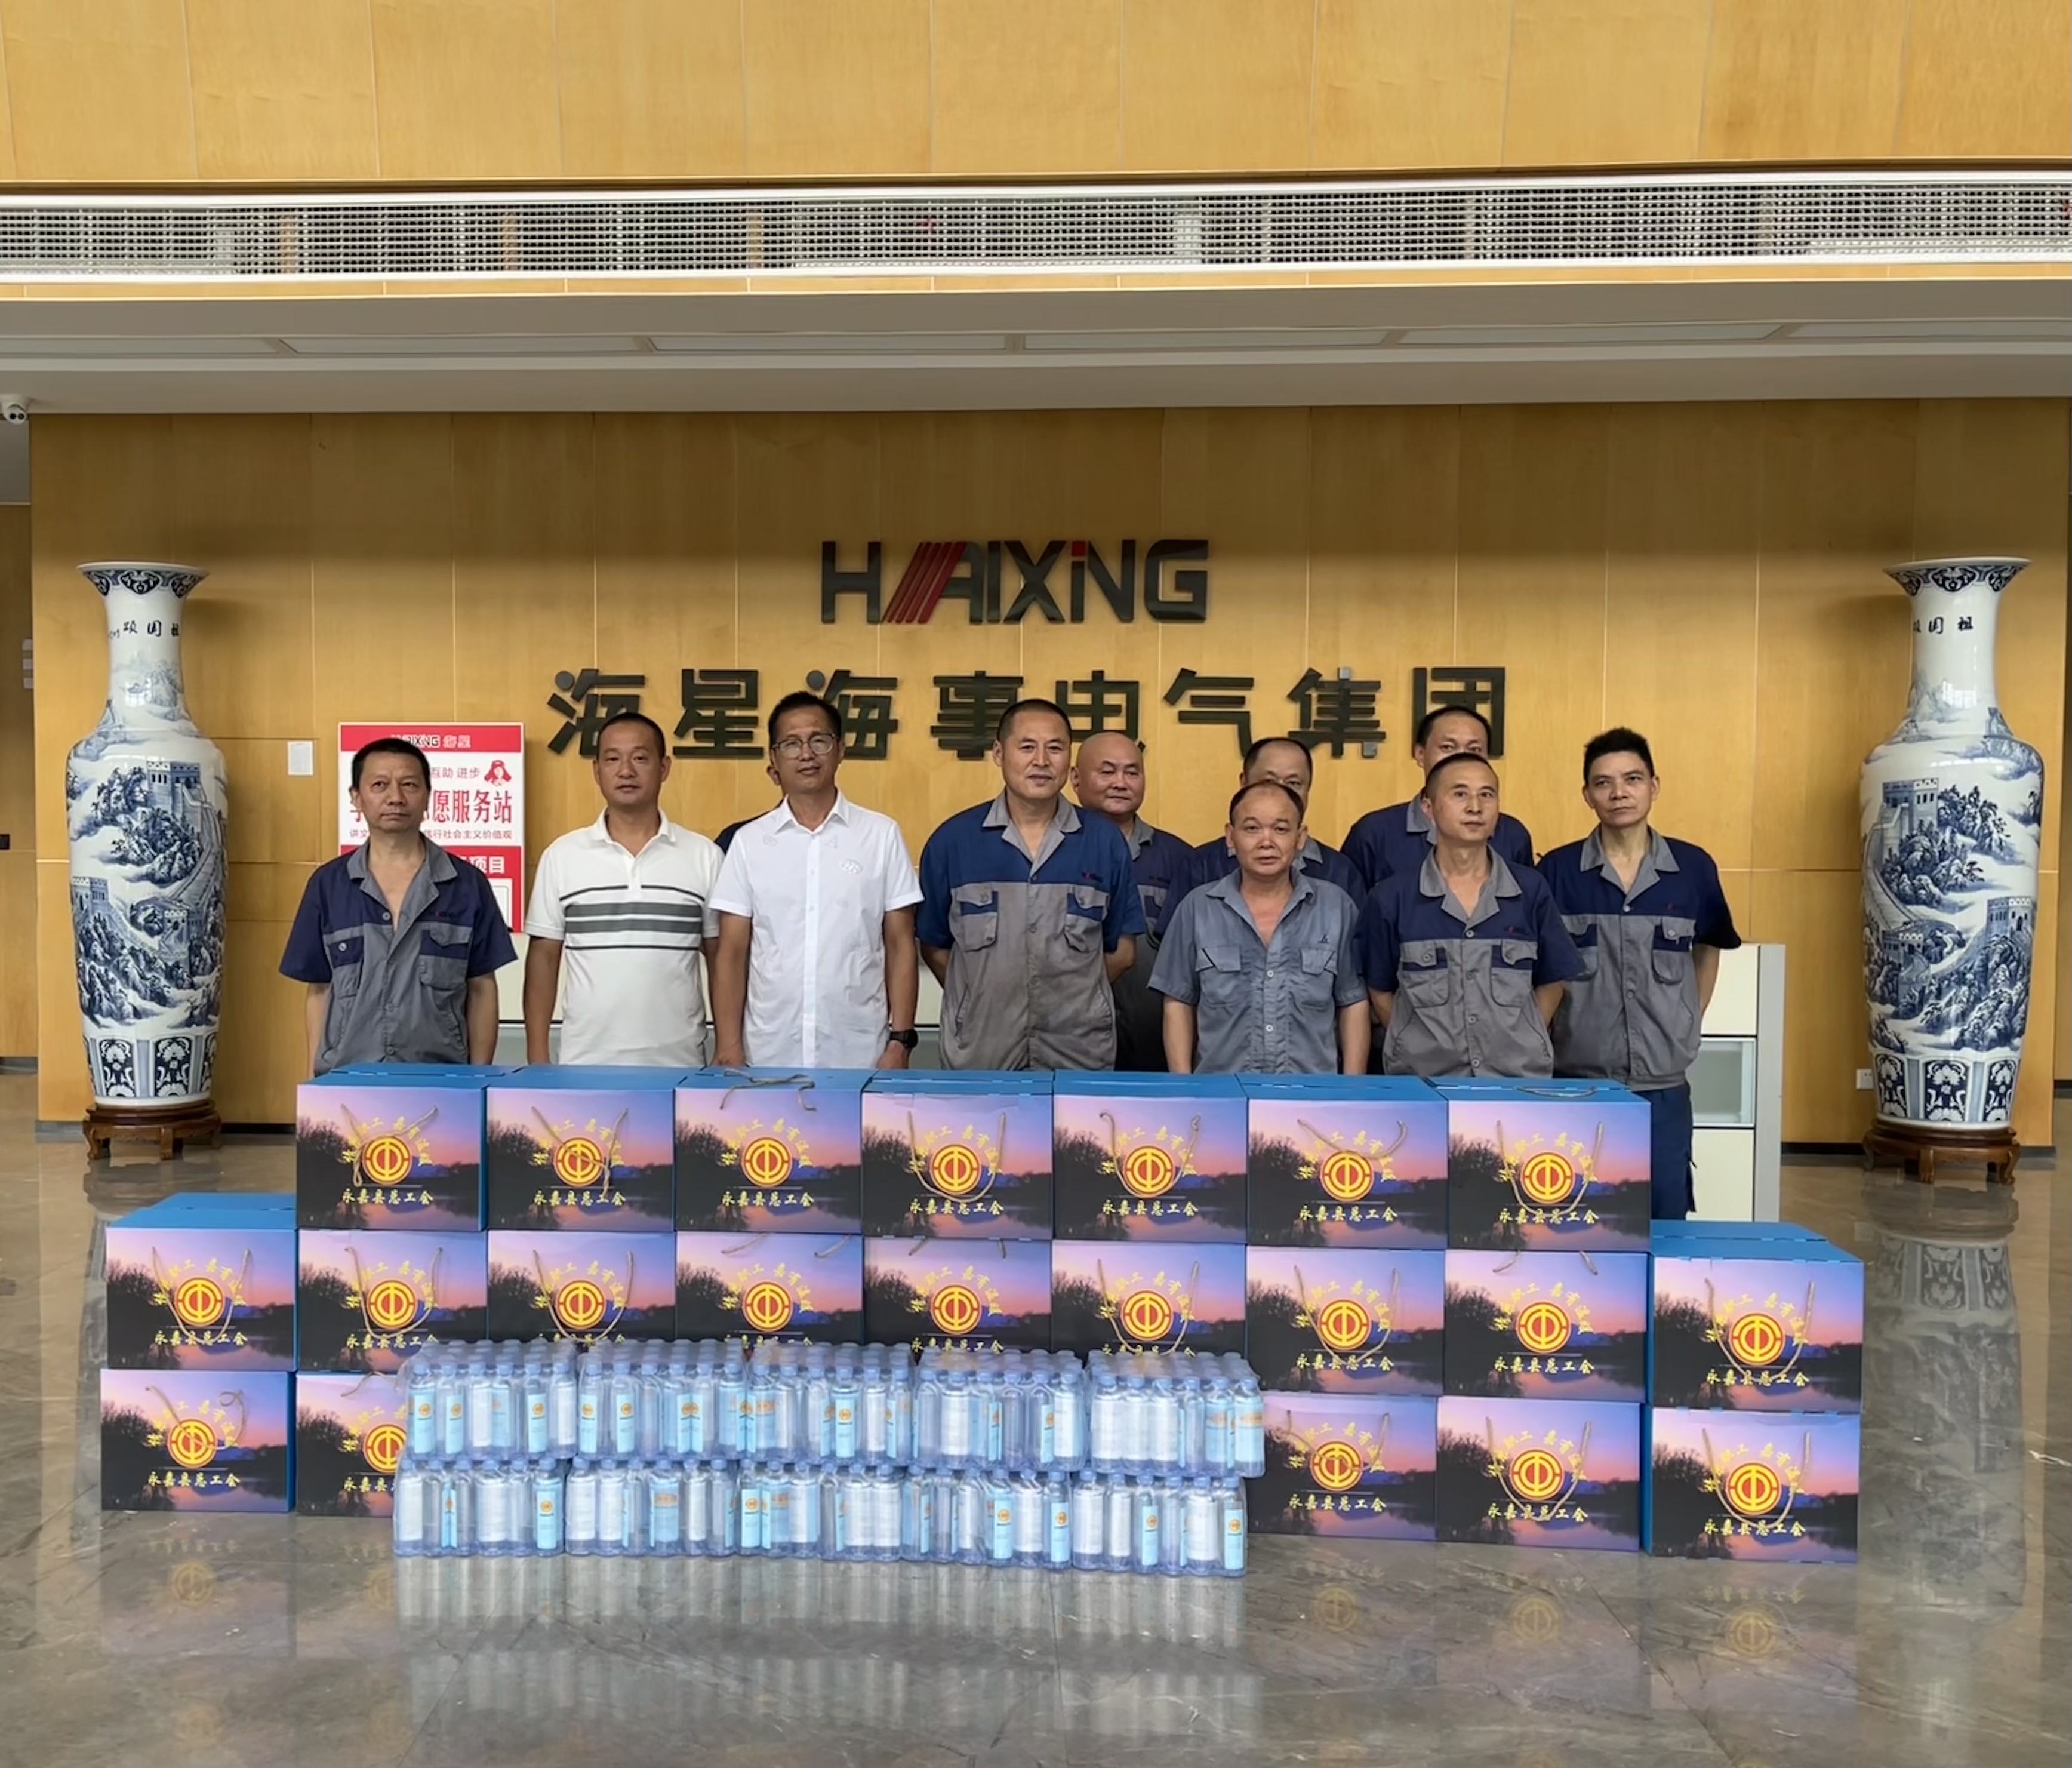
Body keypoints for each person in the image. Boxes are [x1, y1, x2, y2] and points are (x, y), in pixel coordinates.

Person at [1538, 727, 1743, 1220]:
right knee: (1575, 1223)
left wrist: (1688, 1019)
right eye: (1603, 782)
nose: (1619, 792)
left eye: (1632, 779)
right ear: (1586, 794)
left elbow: (1708, 947)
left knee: (1663, 1219)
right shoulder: (1557, 872)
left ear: (1654, 786)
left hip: (1662, 1087)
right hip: (1577, 1084)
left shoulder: (1692, 868)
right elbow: (1539, 970)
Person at [918, 699, 1144, 1071]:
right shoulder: (953, 842)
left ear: (1068, 759)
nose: (1041, 761)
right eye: (1027, 747)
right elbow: (934, 946)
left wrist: (1077, 996)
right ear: (998, 753)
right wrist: (976, 997)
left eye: (1055, 748)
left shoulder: (1104, 843)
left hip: (1079, 1054)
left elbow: (1122, 952)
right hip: (981, 1054)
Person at [709, 691, 922, 1069]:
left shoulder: (881, 835)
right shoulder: (748, 842)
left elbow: (900, 943)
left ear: (840, 751)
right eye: (792, 744)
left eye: (819, 741)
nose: (806, 754)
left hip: (861, 1055)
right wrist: (728, 1046)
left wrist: (900, 1042)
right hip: (767, 1054)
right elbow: (732, 951)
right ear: (774, 759)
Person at [282, 736, 515, 1074]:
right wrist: (315, 1083)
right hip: (348, 1080)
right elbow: (319, 989)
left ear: (428, 797)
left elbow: (482, 987)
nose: (395, 797)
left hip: (442, 1081)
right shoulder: (328, 885)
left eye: (409, 785)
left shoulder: (466, 884)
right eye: (380, 785)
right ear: (356, 798)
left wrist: (478, 1078)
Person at [1357, 752, 1581, 1078]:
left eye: (1487, 795)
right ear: (1428, 807)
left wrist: (1527, 1036)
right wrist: (1411, 1042)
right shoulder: (1393, 897)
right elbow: (1379, 989)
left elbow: (1553, 978)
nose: (1475, 807)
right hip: (1425, 1081)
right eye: (1460, 794)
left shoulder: (1529, 889)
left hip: (1514, 1081)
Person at [522, 711, 723, 1066]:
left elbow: (723, 962)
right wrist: (537, 1058)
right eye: (613, 759)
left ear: (664, 768)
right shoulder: (563, 856)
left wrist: (727, 1045)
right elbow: (543, 960)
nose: (626, 771)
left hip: (680, 1065)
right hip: (584, 1066)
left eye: (640, 758)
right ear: (597, 771)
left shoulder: (704, 856)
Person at [1152, 781, 1369, 1075]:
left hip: (1311, 1094)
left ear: (1301, 838)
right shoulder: (1197, 908)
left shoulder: (1336, 907)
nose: (1266, 842)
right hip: (1222, 1092)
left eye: (1281, 829)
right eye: (1252, 829)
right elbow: (1178, 1002)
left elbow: (1353, 1002)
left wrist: (1352, 1089)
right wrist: (1185, 1086)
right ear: (1231, 837)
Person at [1070, 730, 1193, 1072]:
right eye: (1107, 771)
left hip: (1156, 1048)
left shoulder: (1179, 859)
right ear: (1076, 779)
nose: (1121, 783)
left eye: (1132, 772)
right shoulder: (1053, 853)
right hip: (1069, 1043)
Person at [1342, 705, 1535, 896]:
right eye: (1448, 747)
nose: (1461, 757)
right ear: (1420, 754)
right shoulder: (1374, 833)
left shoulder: (1513, 835)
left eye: (1475, 749)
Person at [1184, 737, 1362, 897]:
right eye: (1268, 782)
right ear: (1243, 783)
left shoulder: (1340, 871)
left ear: (1308, 790)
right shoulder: (1201, 866)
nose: (1280, 793)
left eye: (1294, 783)